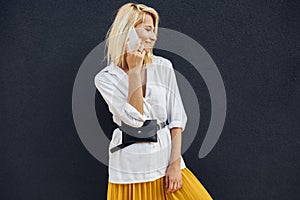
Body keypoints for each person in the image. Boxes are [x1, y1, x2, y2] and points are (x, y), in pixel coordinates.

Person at [94, 2, 213, 200]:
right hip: (129, 168)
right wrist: (134, 70)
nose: (154, 36)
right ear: (128, 31)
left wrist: (175, 164)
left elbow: (177, 119)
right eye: (148, 29)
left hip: (164, 159)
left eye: (154, 30)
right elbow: (135, 119)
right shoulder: (106, 78)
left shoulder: (163, 66)